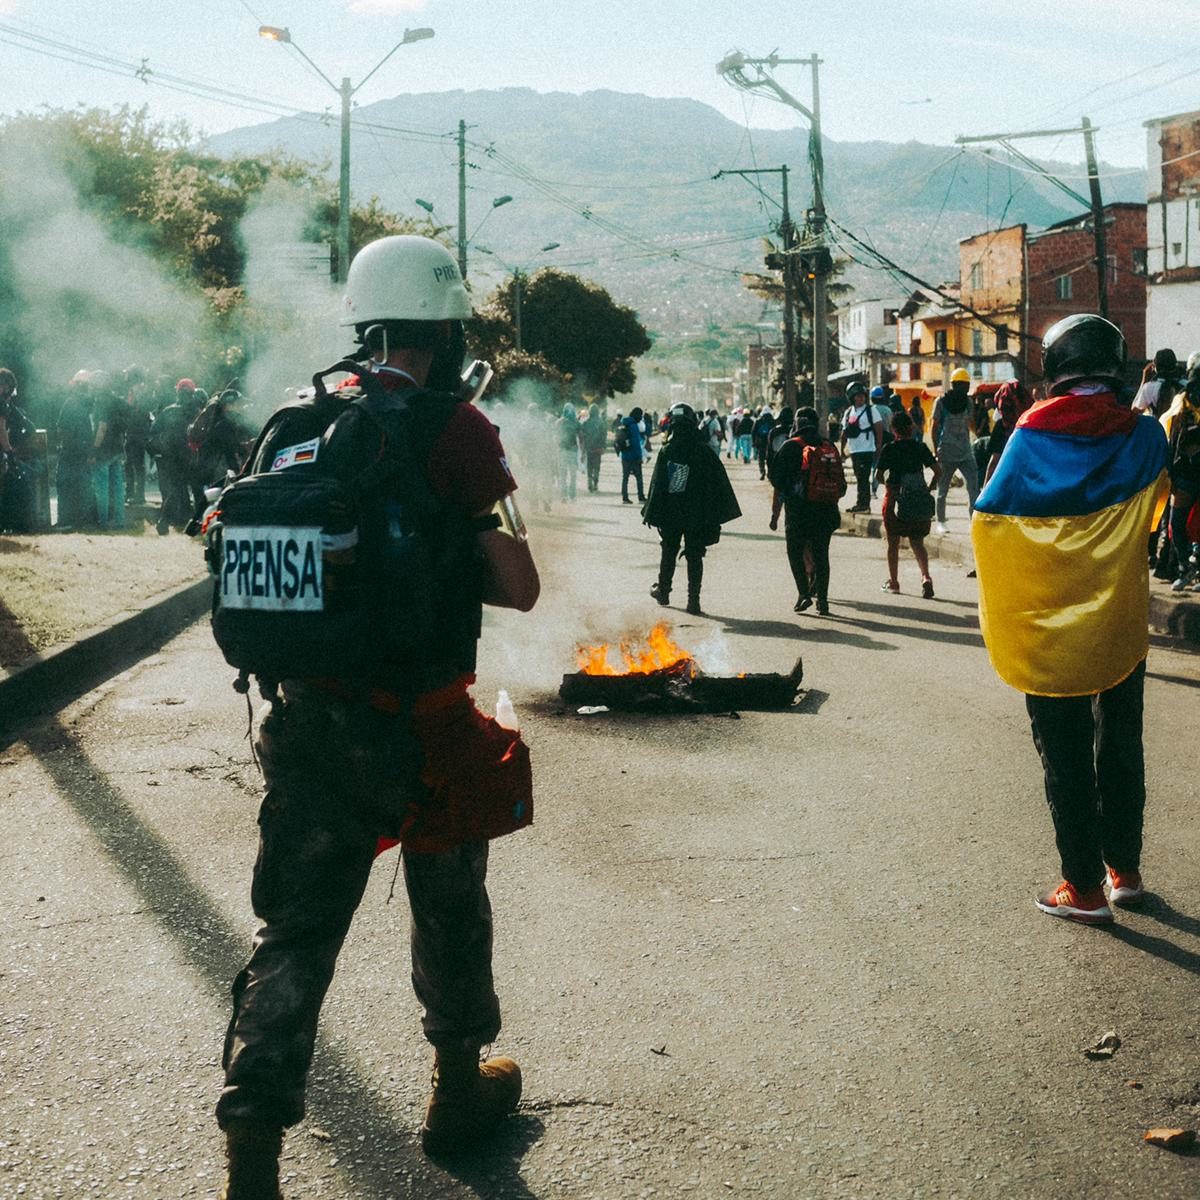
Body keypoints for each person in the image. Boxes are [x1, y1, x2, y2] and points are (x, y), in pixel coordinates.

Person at [215, 235, 541, 1198]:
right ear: (447, 323)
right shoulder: (455, 425)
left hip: (304, 719)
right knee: (449, 909)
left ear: (365, 318)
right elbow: (519, 587)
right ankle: (455, 1090)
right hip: (420, 727)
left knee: (295, 932)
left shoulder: (292, 421)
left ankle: (253, 1145)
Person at [972, 314, 1170, 925]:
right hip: (1119, 623)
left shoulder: (1029, 437)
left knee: (1063, 749)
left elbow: (989, 520)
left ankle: (1081, 888)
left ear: (1055, 369)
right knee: (1122, 739)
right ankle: (1125, 873)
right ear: (1115, 366)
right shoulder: (1145, 438)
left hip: (1048, 627)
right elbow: (1155, 510)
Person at [643, 402, 741, 615]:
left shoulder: (668, 451)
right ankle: (693, 601)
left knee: (669, 550)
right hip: (698, 515)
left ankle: (664, 592)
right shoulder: (704, 451)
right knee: (695, 555)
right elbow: (719, 486)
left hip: (672, 514)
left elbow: (658, 487)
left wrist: (652, 514)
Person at [769, 406, 844, 615]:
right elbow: (842, 486)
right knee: (822, 555)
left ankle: (804, 594)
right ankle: (823, 601)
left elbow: (776, 480)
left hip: (798, 513)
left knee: (795, 552)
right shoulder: (829, 446)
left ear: (797, 424)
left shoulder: (790, 446)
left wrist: (778, 509)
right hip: (826, 512)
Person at [874, 408, 939, 597]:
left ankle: (894, 582)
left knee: (893, 543)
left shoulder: (890, 448)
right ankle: (926, 577)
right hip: (917, 499)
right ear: (911, 428)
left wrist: (889, 485)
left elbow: (879, 475)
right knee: (918, 542)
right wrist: (928, 488)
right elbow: (938, 472)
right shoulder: (920, 448)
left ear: (894, 430)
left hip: (895, 501)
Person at [930, 367, 978, 534]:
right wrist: (936, 449)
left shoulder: (969, 402)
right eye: (960, 385)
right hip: (947, 451)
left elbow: (971, 424)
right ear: (954, 385)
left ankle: (974, 520)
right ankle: (941, 521)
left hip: (965, 451)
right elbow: (934, 427)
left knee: (973, 486)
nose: (962, 389)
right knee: (942, 489)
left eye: (965, 385)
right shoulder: (941, 402)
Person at [55, 370, 97, 530]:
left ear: (76, 385)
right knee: (85, 486)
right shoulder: (93, 403)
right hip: (87, 451)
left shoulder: (70, 403)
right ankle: (84, 521)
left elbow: (61, 429)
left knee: (65, 484)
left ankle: (65, 520)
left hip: (70, 450)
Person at [89, 371, 127, 531]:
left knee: (101, 487)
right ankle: (120, 520)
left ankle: (102, 522)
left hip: (103, 450)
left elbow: (102, 427)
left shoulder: (101, 401)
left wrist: (94, 450)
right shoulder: (117, 400)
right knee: (118, 487)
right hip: (117, 449)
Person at [838, 382, 883, 513]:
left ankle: (864, 505)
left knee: (863, 477)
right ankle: (861, 503)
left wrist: (878, 447)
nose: (861, 398)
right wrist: (842, 450)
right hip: (854, 449)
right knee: (859, 476)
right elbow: (844, 432)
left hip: (867, 449)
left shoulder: (871, 410)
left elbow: (879, 428)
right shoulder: (849, 412)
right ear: (852, 397)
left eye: (862, 396)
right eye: (857, 396)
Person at [982, 379, 1032, 486]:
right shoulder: (1031, 424)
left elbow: (994, 462)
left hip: (1006, 486)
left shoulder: (1002, 427)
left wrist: (985, 491)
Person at [1132, 347, 1180, 417]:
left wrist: (1144, 380)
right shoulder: (1184, 385)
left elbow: (1134, 411)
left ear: (1155, 367)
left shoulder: (1149, 388)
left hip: (1156, 426)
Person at [617, 406, 646, 504]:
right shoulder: (633, 426)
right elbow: (636, 443)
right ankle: (641, 496)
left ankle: (625, 497)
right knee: (639, 477)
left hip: (624, 455)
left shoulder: (624, 423)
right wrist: (640, 456)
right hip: (634, 456)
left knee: (625, 477)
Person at [555, 401, 581, 501]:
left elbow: (555, 437)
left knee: (563, 475)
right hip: (573, 451)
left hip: (562, 451)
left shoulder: (559, 422)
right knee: (573, 475)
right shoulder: (576, 422)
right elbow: (581, 437)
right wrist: (582, 452)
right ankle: (572, 496)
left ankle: (563, 495)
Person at [581, 400, 608, 493]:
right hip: (598, 448)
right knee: (596, 467)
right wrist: (604, 446)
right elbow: (604, 435)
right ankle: (595, 483)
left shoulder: (585, 423)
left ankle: (589, 484)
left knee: (589, 467)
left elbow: (582, 437)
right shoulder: (601, 423)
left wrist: (583, 449)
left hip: (589, 448)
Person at [753, 406, 775, 479]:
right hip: (770, 442)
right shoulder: (772, 420)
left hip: (761, 442)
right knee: (770, 457)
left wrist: (754, 442)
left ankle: (762, 472)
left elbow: (753, 432)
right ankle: (769, 473)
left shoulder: (758, 420)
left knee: (761, 458)